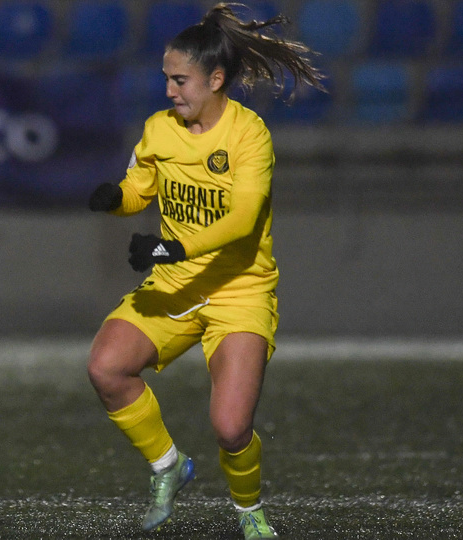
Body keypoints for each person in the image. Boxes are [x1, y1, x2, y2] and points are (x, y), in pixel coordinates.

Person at [86, 4, 324, 539]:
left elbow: (243, 220)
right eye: (166, 79)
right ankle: (168, 465)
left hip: (239, 290)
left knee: (231, 426)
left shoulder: (249, 136)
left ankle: (249, 512)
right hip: (175, 285)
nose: (170, 90)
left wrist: (172, 248)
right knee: (106, 368)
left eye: (180, 79)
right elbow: (140, 190)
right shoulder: (158, 131)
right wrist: (116, 198)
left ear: (216, 79)